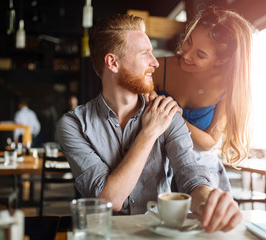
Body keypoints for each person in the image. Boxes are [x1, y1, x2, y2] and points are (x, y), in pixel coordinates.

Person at [57, 13, 241, 233]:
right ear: (113, 63)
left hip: (157, 233)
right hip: (103, 234)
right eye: (145, 54)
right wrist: (149, 132)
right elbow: (107, 199)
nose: (155, 63)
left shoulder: (166, 112)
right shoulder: (73, 125)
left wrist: (210, 201)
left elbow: (190, 174)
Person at [152, 5, 253, 192]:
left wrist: (174, 116)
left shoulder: (227, 87)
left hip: (204, 173)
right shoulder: (161, 69)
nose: (186, 55)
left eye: (200, 54)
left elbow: (209, 143)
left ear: (221, 60)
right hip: (157, 170)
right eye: (188, 42)